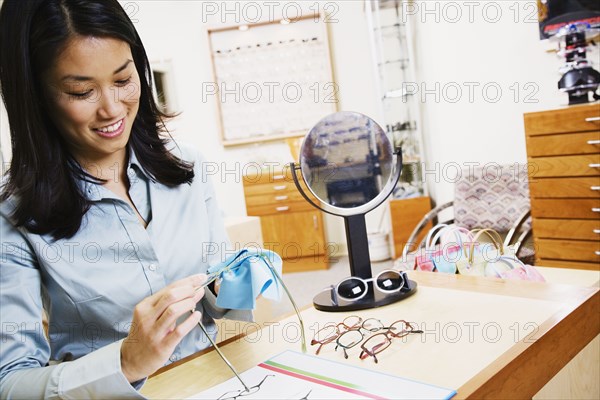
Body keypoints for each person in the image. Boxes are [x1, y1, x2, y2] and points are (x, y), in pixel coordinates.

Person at [0, 0, 250, 398]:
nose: (112, 109)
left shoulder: (189, 167)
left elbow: (224, 310)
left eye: (122, 80)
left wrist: (240, 283)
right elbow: (10, 383)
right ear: (37, 98)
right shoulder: (12, 217)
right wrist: (127, 361)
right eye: (81, 91)